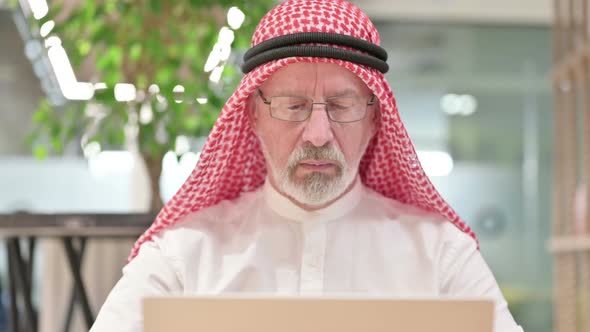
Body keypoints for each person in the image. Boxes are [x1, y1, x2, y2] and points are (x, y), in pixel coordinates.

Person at [90, 0, 523, 331]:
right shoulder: (182, 254)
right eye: (292, 106)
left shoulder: (442, 254)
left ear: (375, 119)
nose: (318, 134)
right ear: (253, 116)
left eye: (342, 105)